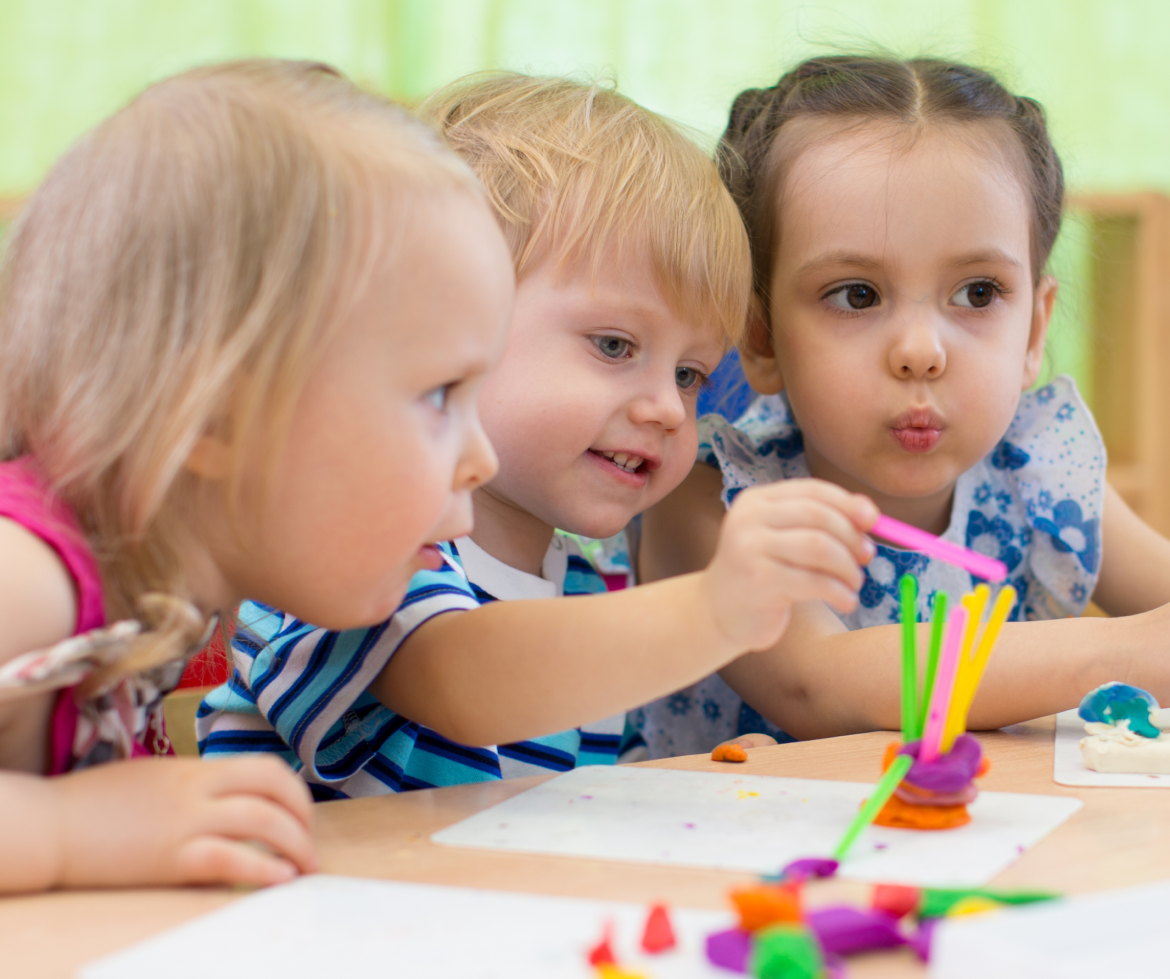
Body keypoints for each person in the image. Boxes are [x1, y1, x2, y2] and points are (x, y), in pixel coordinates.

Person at [638, 54, 1170, 754]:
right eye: (857, 294)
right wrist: (1122, 653)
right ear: (762, 333)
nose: (922, 350)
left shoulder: (1040, 473)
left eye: (978, 293)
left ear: (1033, 328)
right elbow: (820, 684)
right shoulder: (713, 499)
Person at [0, 60, 514, 898]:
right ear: (220, 416)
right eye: (441, 393)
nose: (486, 458)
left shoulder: (164, 595)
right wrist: (69, 834)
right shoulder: (9, 577)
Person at [198, 74, 879, 792]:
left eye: (689, 374)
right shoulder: (360, 548)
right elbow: (465, 684)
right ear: (443, 325)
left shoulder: (590, 582)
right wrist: (713, 608)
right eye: (614, 346)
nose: (668, 410)